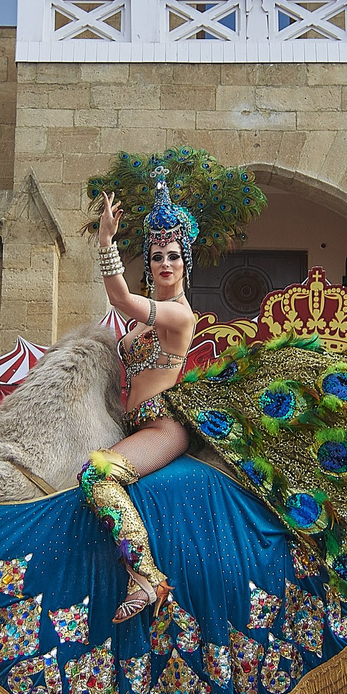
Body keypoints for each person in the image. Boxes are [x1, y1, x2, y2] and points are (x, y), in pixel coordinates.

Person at [81, 177, 201, 623]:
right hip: (132, 425)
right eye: (156, 256)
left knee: (97, 475)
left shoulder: (179, 314)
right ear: (149, 265)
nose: (165, 262)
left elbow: (118, 296)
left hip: (163, 427)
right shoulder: (146, 323)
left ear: (184, 264)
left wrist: (107, 241)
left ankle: (147, 577)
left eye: (173, 255)